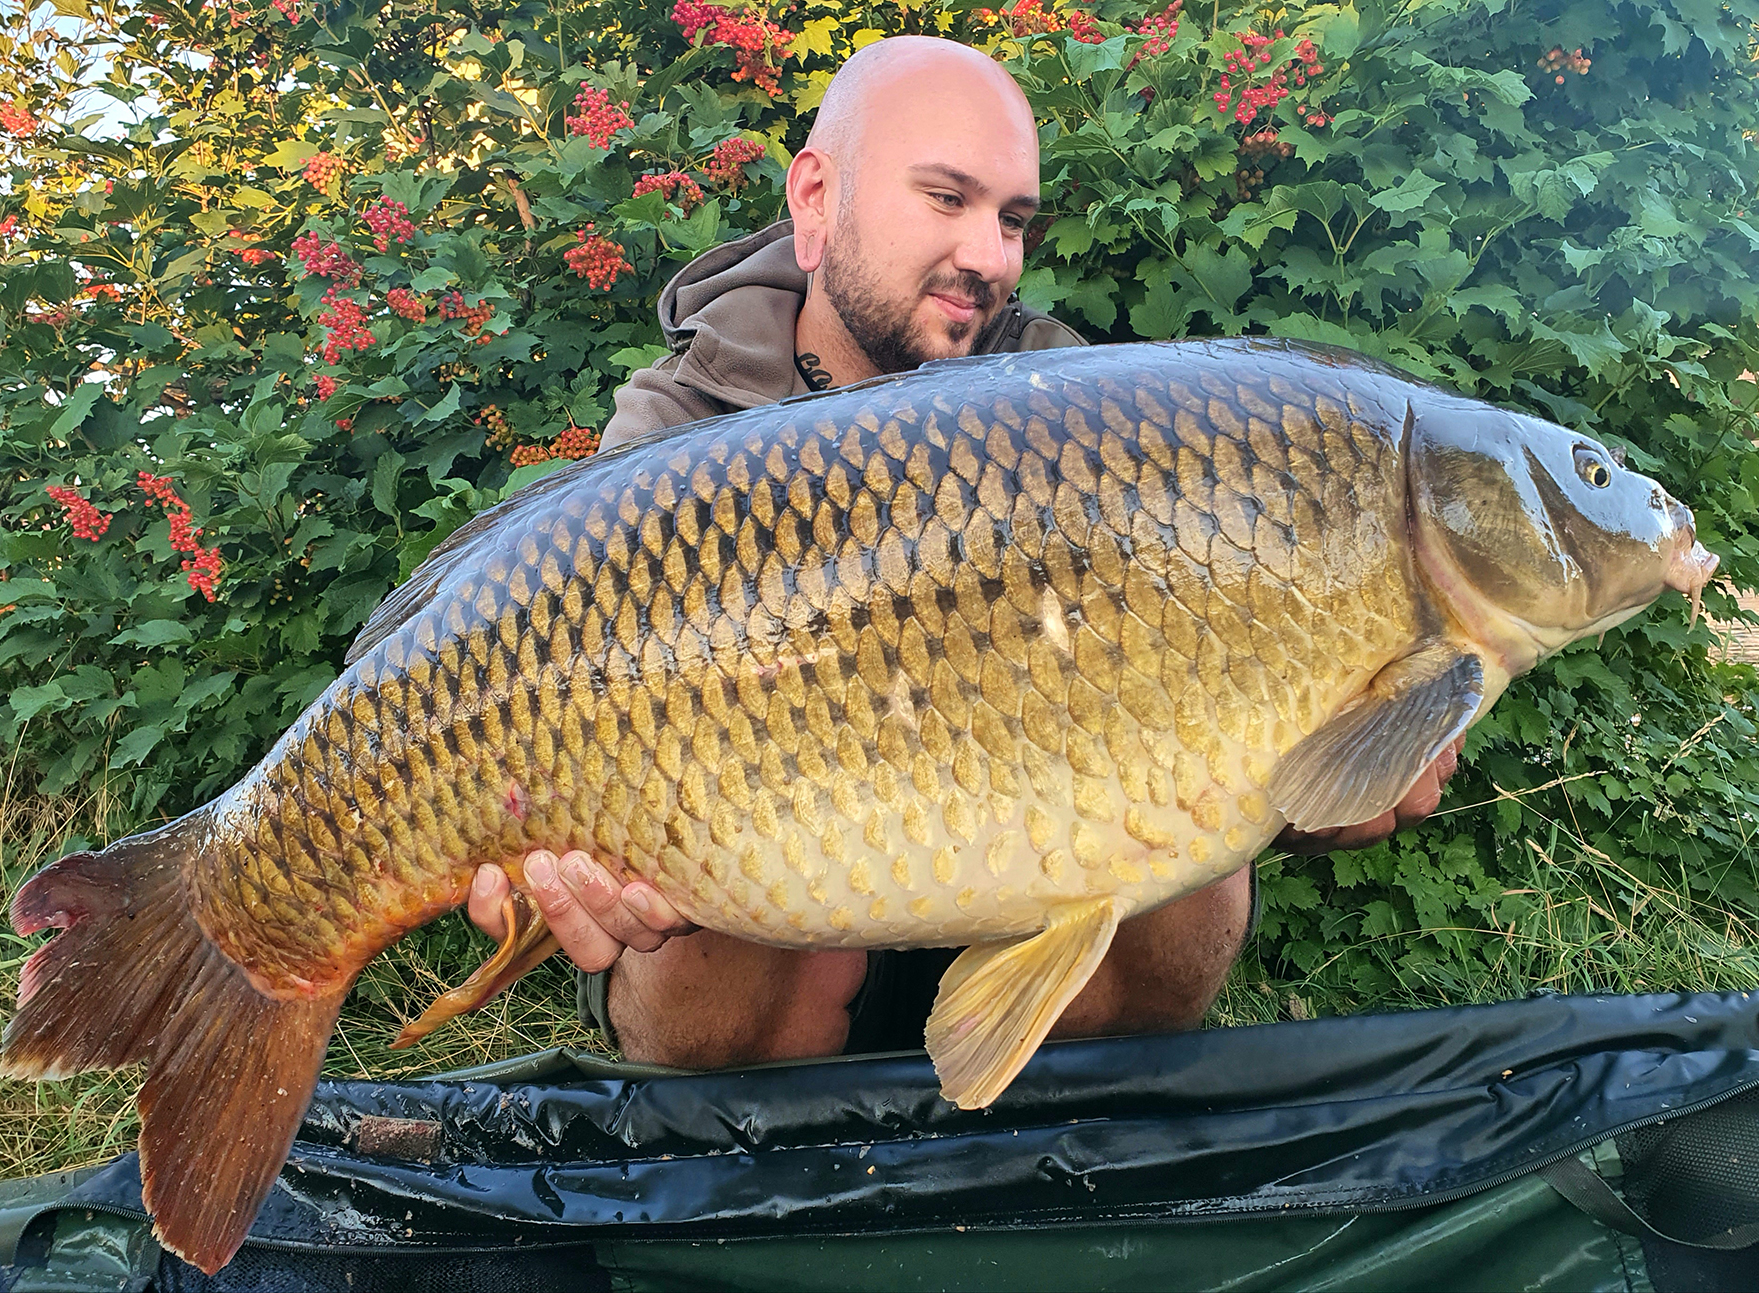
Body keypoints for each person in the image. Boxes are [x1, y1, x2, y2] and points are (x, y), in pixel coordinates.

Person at [464, 36, 1464, 1067]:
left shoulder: (1078, 407)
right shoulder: (675, 429)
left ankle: (1051, 1156)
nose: (988, 255)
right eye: (947, 200)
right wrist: (555, 850)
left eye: (1013, 219)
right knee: (731, 915)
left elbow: (1211, 714)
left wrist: (1336, 775)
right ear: (816, 198)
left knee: (1184, 860)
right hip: (762, 904)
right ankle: (768, 1195)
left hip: (1018, 869)